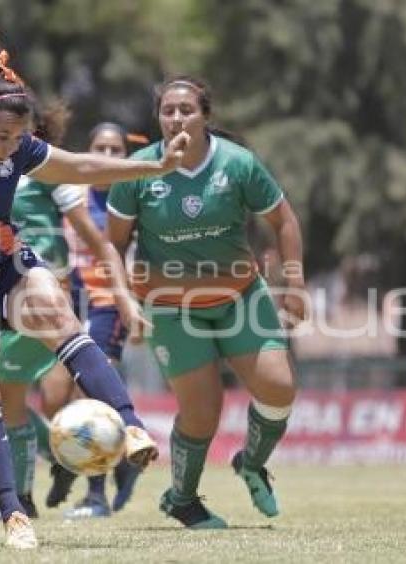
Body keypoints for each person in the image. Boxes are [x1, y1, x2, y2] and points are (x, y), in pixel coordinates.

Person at [0, 36, 189, 549]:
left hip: (3, 261)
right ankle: (13, 514)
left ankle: (131, 426)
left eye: (18, 137)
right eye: (2, 137)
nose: (12, 148)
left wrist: (154, 167)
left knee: (53, 306)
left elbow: (81, 167)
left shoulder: (17, 146)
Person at [107, 76, 306, 529]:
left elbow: (284, 219)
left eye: (186, 109)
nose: (176, 117)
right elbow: (112, 247)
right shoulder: (137, 171)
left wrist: (294, 283)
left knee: (279, 386)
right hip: (171, 306)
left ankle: (252, 464)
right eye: (168, 110)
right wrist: (123, 301)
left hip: (239, 296)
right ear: (158, 117)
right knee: (202, 412)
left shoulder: (238, 164)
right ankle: (182, 499)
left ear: (205, 116)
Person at [0, 103, 145, 521]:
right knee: (29, 401)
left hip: (46, 299)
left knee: (22, 395)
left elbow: (100, 241)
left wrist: (124, 296)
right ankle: (33, 490)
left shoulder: (48, 174)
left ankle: (88, 474)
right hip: (5, 300)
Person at [58, 122, 149, 519]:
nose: (109, 157)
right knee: (53, 397)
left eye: (116, 150)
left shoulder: (134, 197)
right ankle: (117, 466)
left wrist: (136, 303)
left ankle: (96, 496)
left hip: (110, 303)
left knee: (91, 395)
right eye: (101, 148)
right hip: (69, 304)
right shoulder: (70, 193)